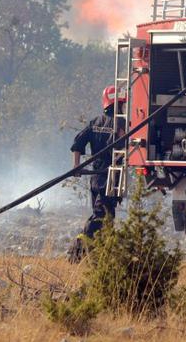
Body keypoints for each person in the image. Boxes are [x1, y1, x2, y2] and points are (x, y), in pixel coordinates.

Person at [67, 85, 125, 262]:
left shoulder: (95, 122)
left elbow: (77, 144)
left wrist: (76, 167)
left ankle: (100, 259)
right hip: (110, 178)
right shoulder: (122, 124)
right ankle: (77, 252)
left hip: (95, 178)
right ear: (119, 104)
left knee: (105, 218)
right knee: (103, 217)